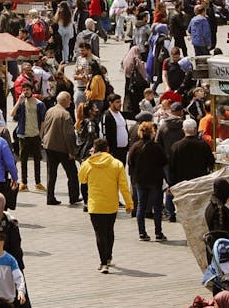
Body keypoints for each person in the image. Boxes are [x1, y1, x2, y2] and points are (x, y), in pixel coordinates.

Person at [78, 138, 133, 273]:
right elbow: (124, 186)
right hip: (111, 204)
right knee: (109, 231)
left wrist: (89, 158)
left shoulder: (88, 163)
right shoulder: (117, 164)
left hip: (95, 205)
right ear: (108, 149)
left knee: (100, 233)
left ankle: (103, 263)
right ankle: (108, 257)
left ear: (94, 149)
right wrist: (129, 203)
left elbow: (81, 179)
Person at [128, 120, 168, 243]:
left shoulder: (135, 147)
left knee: (141, 205)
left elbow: (130, 163)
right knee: (157, 206)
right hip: (155, 180)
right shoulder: (156, 147)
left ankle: (142, 232)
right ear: (152, 132)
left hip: (140, 180)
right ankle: (158, 233)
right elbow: (164, 162)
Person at [41, 92, 80, 207]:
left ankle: (50, 197)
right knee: (72, 174)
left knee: (51, 174)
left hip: (49, 146)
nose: (70, 102)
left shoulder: (50, 110)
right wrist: (71, 152)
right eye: (69, 100)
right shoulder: (65, 114)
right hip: (62, 148)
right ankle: (73, 197)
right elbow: (69, 135)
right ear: (64, 100)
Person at [11, 81, 46, 193]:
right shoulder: (21, 103)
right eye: (24, 90)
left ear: (32, 90)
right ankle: (24, 183)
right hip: (23, 135)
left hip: (35, 135)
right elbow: (12, 114)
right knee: (23, 160)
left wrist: (40, 135)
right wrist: (18, 101)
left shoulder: (39, 104)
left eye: (27, 90)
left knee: (37, 159)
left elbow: (43, 121)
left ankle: (38, 182)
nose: (25, 92)